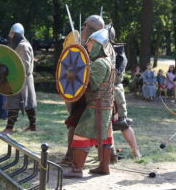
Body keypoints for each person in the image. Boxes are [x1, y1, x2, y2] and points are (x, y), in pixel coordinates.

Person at [64, 29, 116, 178]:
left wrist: (75, 74)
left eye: (92, 43)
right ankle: (104, 166)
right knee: (105, 136)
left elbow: (92, 83)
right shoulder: (108, 61)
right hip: (104, 106)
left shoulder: (100, 63)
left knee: (81, 134)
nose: (88, 46)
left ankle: (77, 169)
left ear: (100, 46)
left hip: (96, 106)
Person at [59, 15, 105, 166]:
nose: (83, 29)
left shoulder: (99, 50)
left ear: (91, 30)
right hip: (87, 94)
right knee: (78, 123)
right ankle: (107, 159)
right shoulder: (87, 47)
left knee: (75, 124)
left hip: (95, 95)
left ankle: (71, 158)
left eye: (85, 27)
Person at [110, 25, 141, 159]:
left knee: (123, 123)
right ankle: (110, 153)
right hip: (103, 92)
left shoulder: (118, 53)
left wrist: (115, 109)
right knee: (103, 125)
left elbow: (114, 76)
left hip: (114, 91)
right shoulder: (103, 51)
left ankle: (136, 152)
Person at [2, 23, 37, 134]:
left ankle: (9, 128)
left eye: (12, 33)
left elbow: (24, 65)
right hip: (20, 79)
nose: (10, 35)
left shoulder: (23, 46)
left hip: (22, 79)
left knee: (15, 102)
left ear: (17, 34)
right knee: (28, 105)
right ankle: (32, 126)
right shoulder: (19, 45)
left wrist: (15, 75)